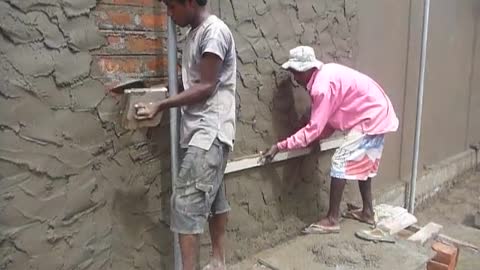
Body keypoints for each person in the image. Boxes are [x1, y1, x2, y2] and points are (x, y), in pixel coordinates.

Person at [135, 0, 236, 269]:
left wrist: (161, 104)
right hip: (200, 132)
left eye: (172, 7)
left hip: (209, 131)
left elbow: (206, 86)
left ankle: (207, 263)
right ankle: (218, 261)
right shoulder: (195, 34)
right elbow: (192, 81)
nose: (169, 13)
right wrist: (156, 91)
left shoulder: (213, 32)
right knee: (214, 198)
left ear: (190, 2)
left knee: (184, 205)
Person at [263, 46, 399, 234]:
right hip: (378, 110)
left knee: (340, 161)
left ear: (305, 70)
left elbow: (315, 127)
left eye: (295, 73)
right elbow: (329, 122)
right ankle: (367, 211)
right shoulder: (325, 75)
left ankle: (332, 218)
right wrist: (315, 137)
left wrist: (280, 146)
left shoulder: (321, 88)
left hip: (372, 116)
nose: (294, 79)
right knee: (364, 163)